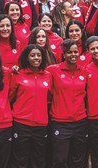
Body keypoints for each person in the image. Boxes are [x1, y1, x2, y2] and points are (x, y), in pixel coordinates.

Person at [47, 39, 89, 168]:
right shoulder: (53, 70)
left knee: (78, 160)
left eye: (75, 52)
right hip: (60, 122)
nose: (73, 55)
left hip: (80, 121)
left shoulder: (84, 71)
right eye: (69, 52)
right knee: (60, 160)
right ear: (64, 54)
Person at [9, 44, 51, 168]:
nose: (36, 58)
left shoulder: (48, 76)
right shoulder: (18, 74)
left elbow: (50, 97)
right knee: (20, 159)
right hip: (21, 124)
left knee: (38, 160)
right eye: (32, 55)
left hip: (41, 124)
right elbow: (10, 97)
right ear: (27, 58)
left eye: (39, 55)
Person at [85, 36, 98, 168]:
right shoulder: (86, 70)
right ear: (88, 51)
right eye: (93, 49)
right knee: (95, 152)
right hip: (94, 118)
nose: (96, 51)